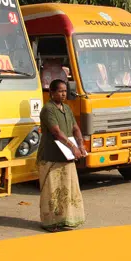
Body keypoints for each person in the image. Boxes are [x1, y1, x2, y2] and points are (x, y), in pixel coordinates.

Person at [37, 79, 86, 232]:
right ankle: (50, 222)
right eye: (60, 91)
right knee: (52, 191)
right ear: (51, 93)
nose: (63, 94)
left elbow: (75, 128)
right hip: (51, 156)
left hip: (66, 156)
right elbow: (56, 132)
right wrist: (73, 148)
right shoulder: (48, 109)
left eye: (65, 91)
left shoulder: (67, 108)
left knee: (67, 189)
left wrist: (81, 145)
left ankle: (66, 219)